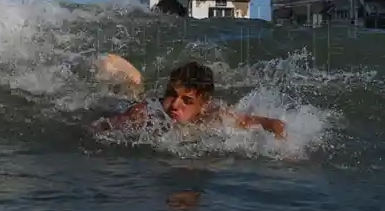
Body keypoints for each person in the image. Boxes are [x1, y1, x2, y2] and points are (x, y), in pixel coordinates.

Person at [90, 54, 287, 138]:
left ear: (202, 105)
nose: (175, 105)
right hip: (134, 105)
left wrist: (280, 138)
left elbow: (270, 123)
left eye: (187, 101)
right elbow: (102, 126)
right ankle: (133, 83)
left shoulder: (215, 115)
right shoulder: (143, 113)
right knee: (133, 97)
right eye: (171, 95)